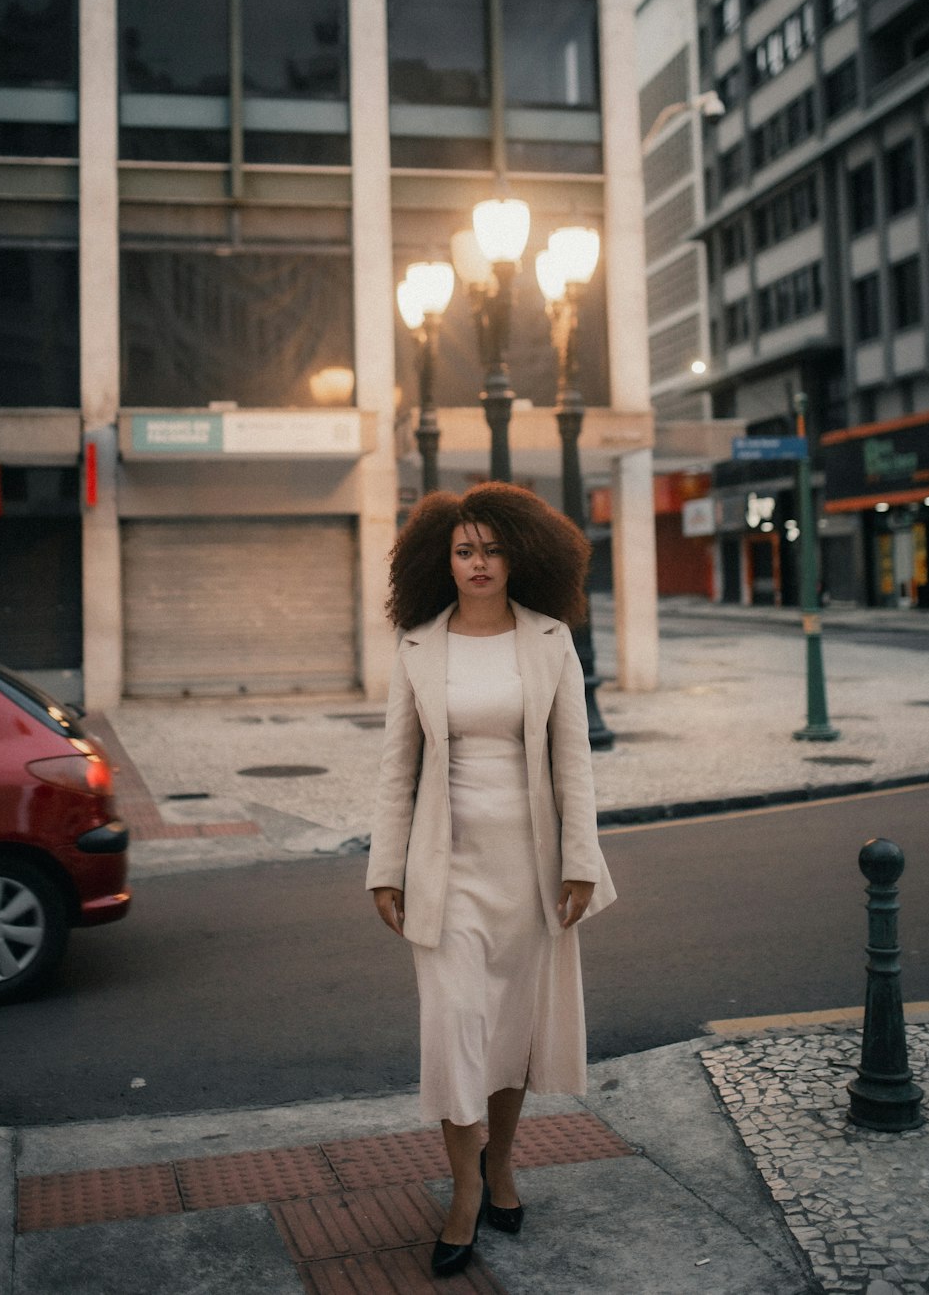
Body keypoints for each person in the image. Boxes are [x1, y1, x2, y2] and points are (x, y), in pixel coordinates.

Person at [366, 482, 616, 1278]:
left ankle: (499, 1168)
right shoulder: (417, 645)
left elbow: (573, 759)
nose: (478, 562)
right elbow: (395, 767)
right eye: (464, 550)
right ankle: (464, 1194)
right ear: (442, 560)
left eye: (491, 549)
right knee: (453, 1032)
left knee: (508, 1034)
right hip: (446, 871)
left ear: (518, 555)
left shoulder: (549, 640)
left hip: (530, 869)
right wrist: (386, 868)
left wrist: (581, 861)